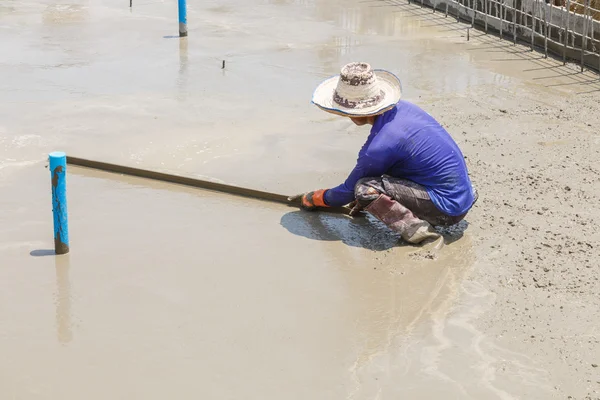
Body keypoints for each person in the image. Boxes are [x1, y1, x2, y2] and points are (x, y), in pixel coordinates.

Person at [289, 62, 477, 245]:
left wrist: (315, 197)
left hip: (448, 209)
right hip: (464, 194)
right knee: (381, 175)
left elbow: (346, 193)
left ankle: (420, 233)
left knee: (364, 188)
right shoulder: (405, 109)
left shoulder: (379, 147)